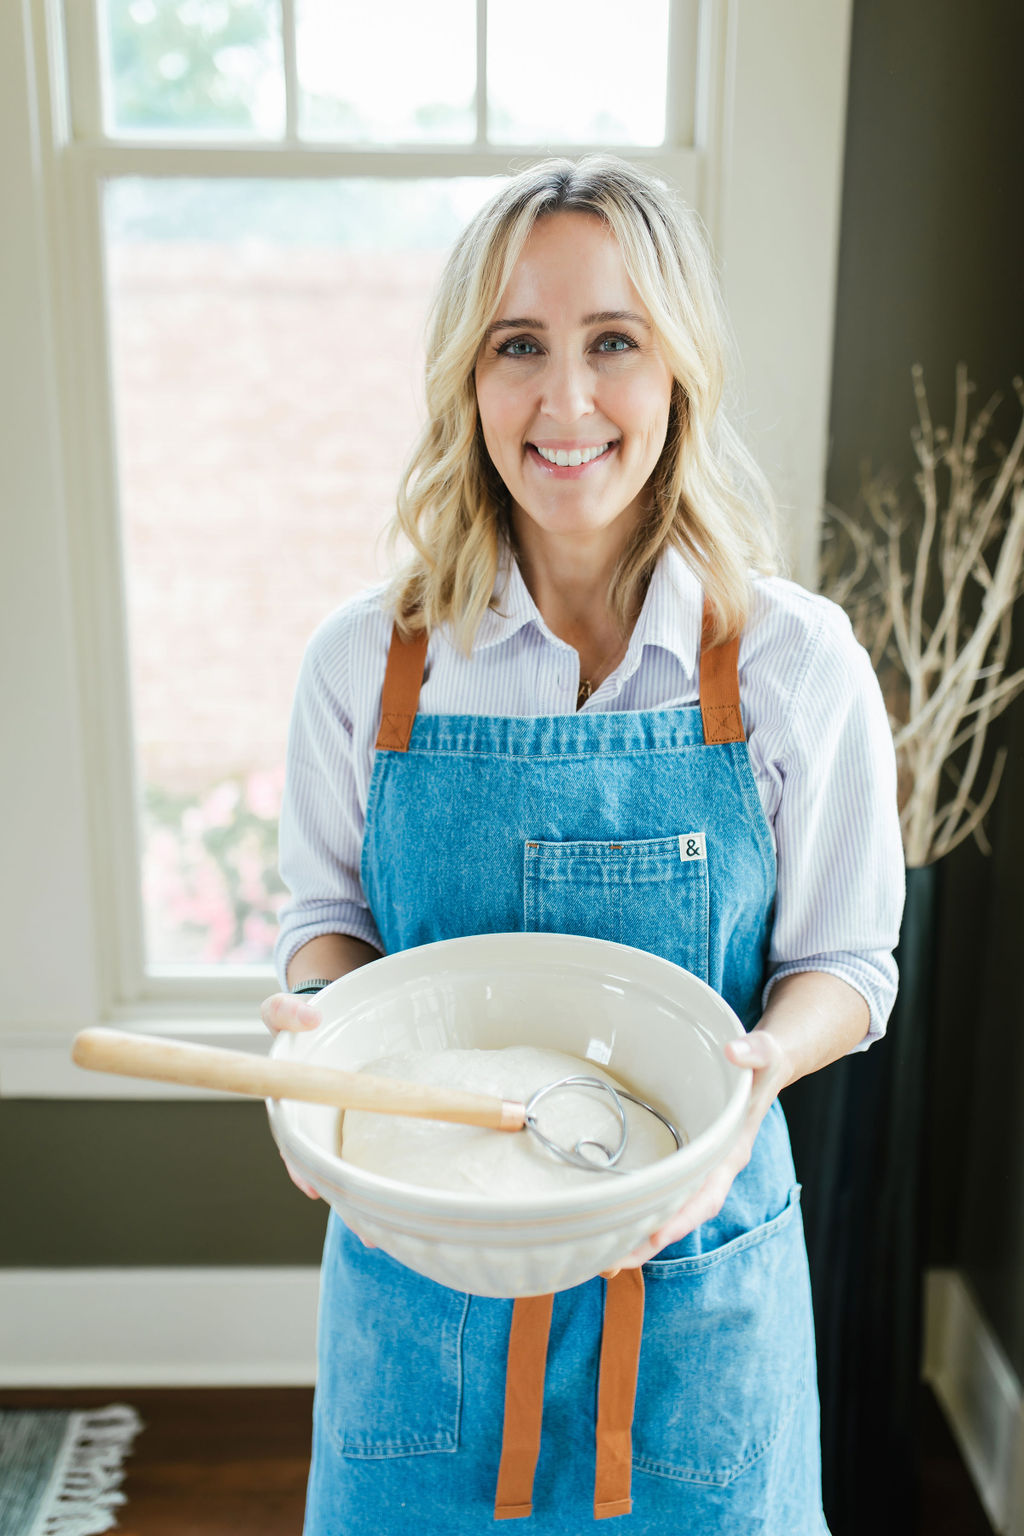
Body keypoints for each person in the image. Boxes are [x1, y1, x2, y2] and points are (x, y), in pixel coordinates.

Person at [262, 155, 904, 1535]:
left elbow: (849, 960)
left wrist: (756, 1070)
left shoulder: (794, 665)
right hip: (422, 1281)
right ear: (466, 381)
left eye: (613, 341)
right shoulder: (363, 666)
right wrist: (322, 1027)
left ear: (679, 369)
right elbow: (329, 923)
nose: (565, 401)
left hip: (694, 1289)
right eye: (518, 347)